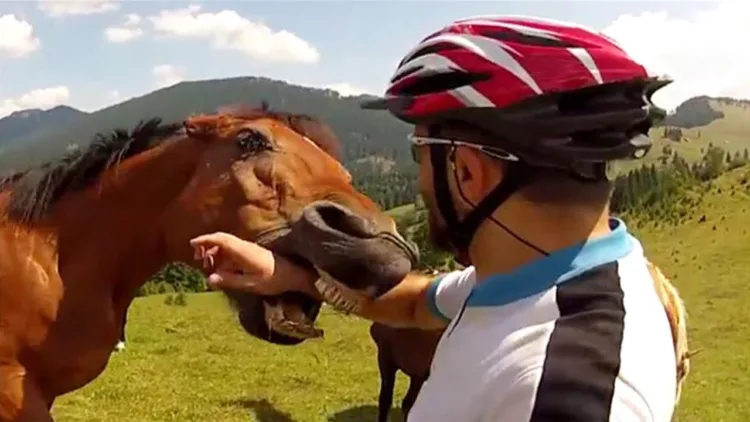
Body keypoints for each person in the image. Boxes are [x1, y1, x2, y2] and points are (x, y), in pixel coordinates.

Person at [190, 15, 679, 422]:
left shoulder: (566, 394)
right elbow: (414, 305)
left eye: (421, 153)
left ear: (467, 171)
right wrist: (285, 274)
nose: (420, 177)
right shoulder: (532, 283)